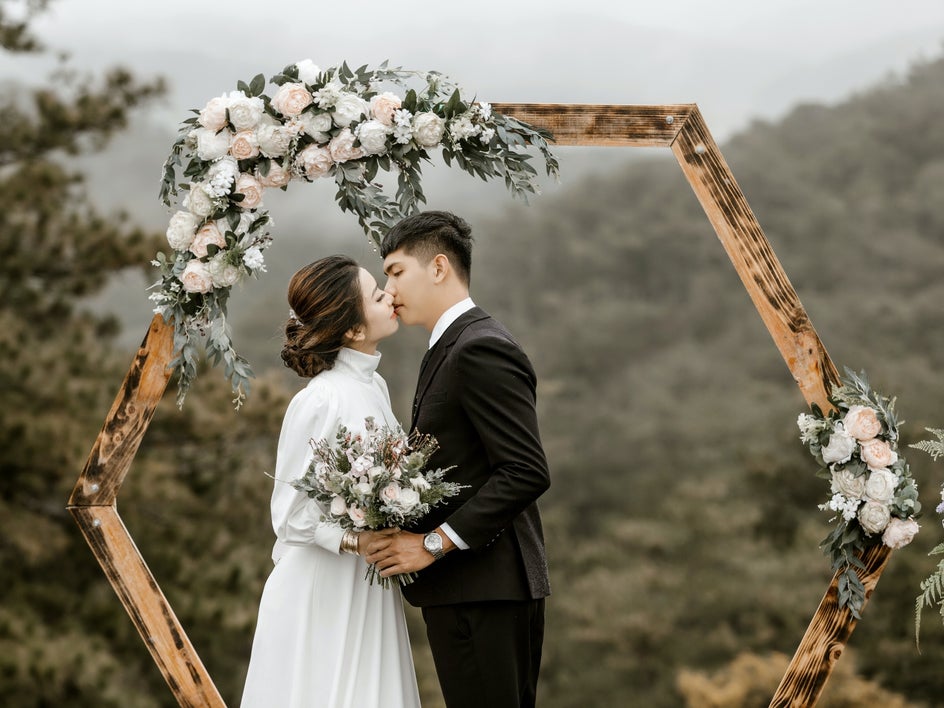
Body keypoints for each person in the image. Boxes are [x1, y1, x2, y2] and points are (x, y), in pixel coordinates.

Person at [366, 211, 551, 708]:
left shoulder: (479, 346)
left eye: (396, 271)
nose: (389, 288)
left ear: (440, 267)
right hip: (468, 590)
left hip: (487, 589)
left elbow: (526, 470)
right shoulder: (448, 346)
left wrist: (432, 543)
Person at [240, 255, 421, 708]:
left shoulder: (374, 387)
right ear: (353, 330)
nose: (389, 295)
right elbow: (288, 517)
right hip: (322, 589)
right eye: (377, 295)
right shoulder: (319, 400)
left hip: (366, 583)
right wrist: (355, 542)